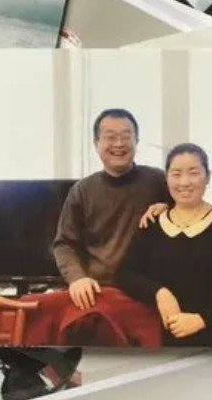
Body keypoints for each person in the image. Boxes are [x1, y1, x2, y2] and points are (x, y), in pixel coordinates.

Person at [116, 143, 212, 346]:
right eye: (176, 174)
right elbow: (125, 273)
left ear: (207, 177)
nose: (184, 182)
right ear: (167, 179)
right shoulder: (153, 222)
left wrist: (202, 319)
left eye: (193, 173)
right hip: (164, 339)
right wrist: (159, 293)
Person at [53, 108, 169, 310]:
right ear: (96, 144)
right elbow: (64, 244)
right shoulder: (82, 190)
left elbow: (191, 216)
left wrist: (168, 208)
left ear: (136, 141)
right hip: (98, 292)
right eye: (110, 137)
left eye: (126, 136)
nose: (119, 144)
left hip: (148, 292)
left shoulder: (159, 180)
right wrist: (77, 279)